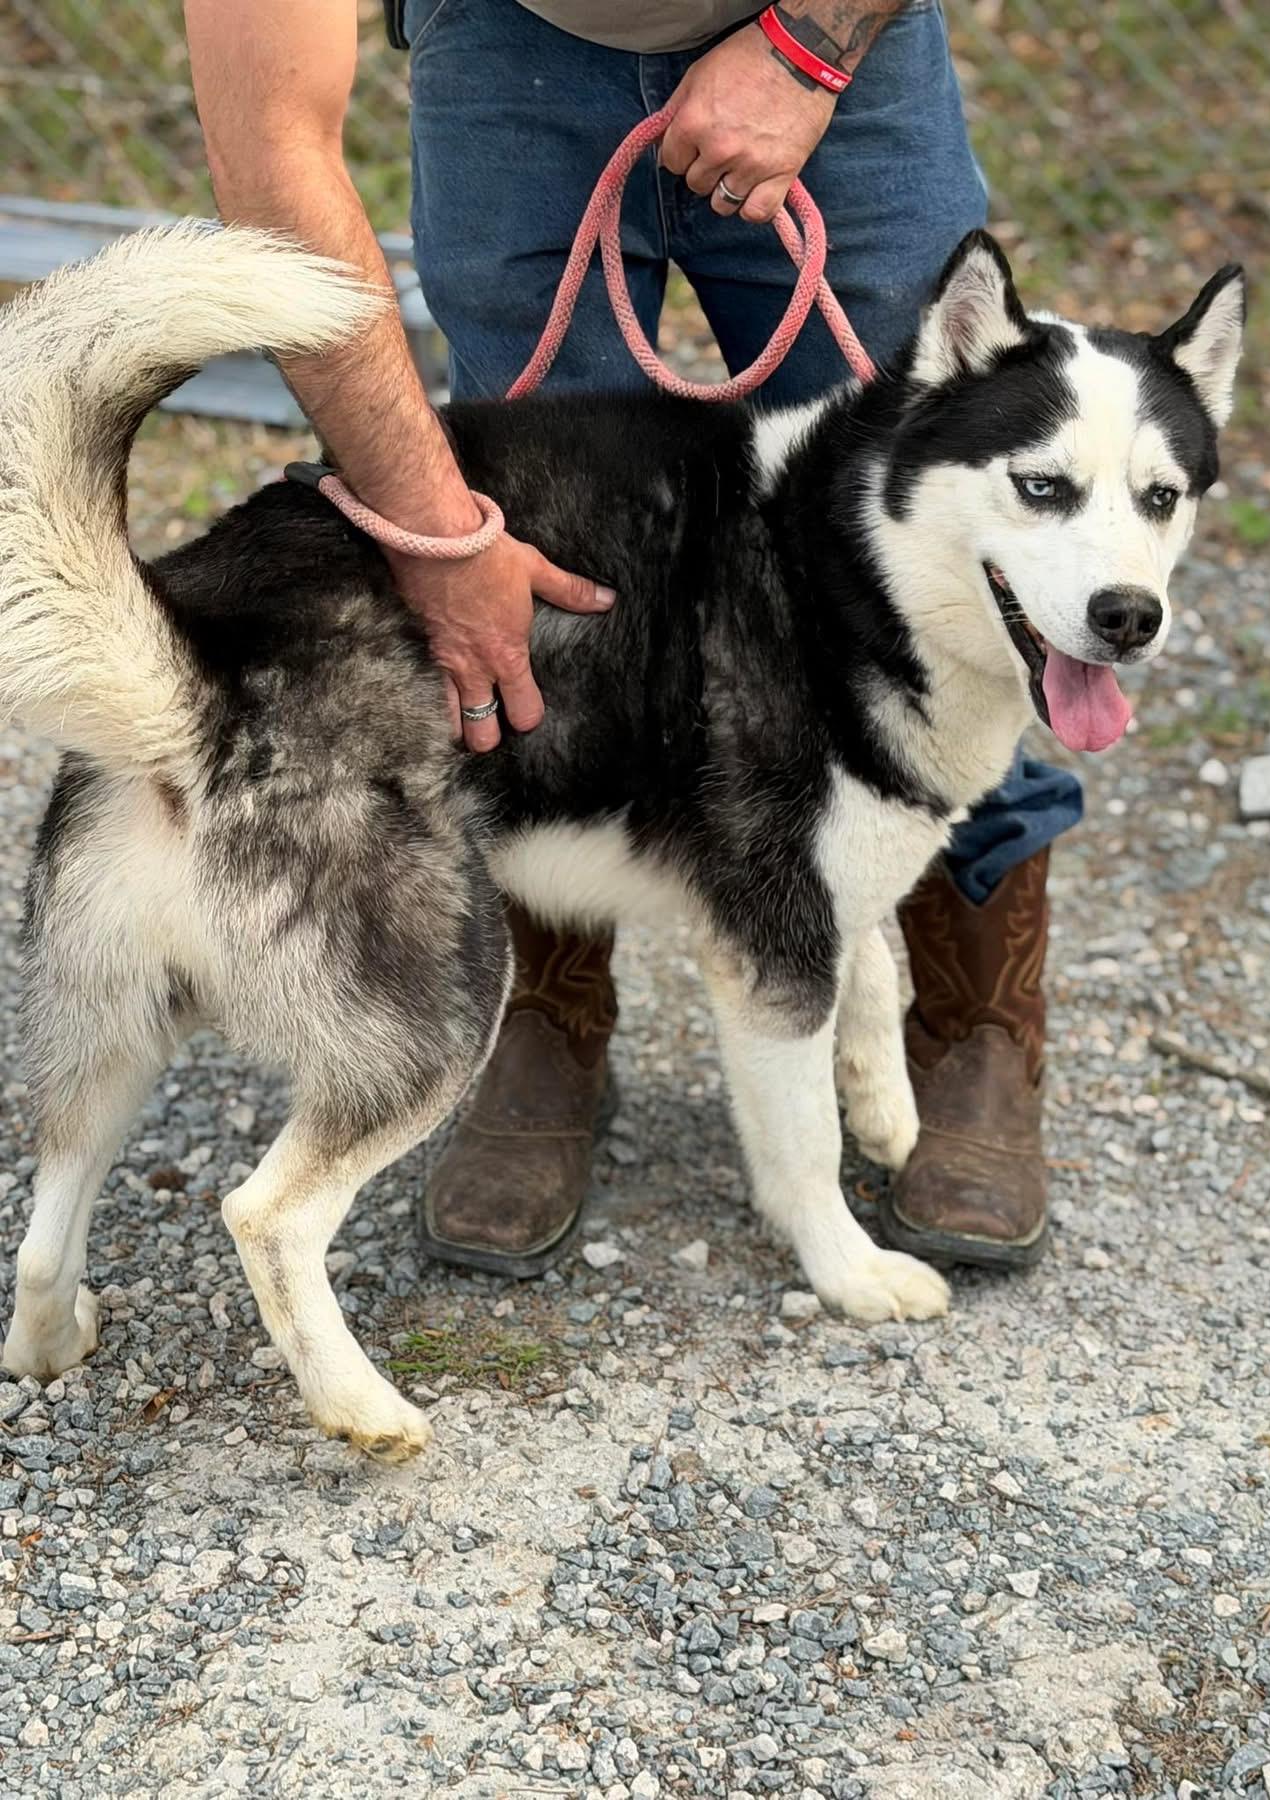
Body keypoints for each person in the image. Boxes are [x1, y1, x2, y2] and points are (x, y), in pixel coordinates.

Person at [184, 0, 1083, 1280]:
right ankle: (549, 1000)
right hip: (506, 45)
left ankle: (975, 1018)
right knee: (542, 563)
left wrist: (813, 43)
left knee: (959, 520)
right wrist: (436, 530)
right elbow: (271, 150)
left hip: (839, 44)